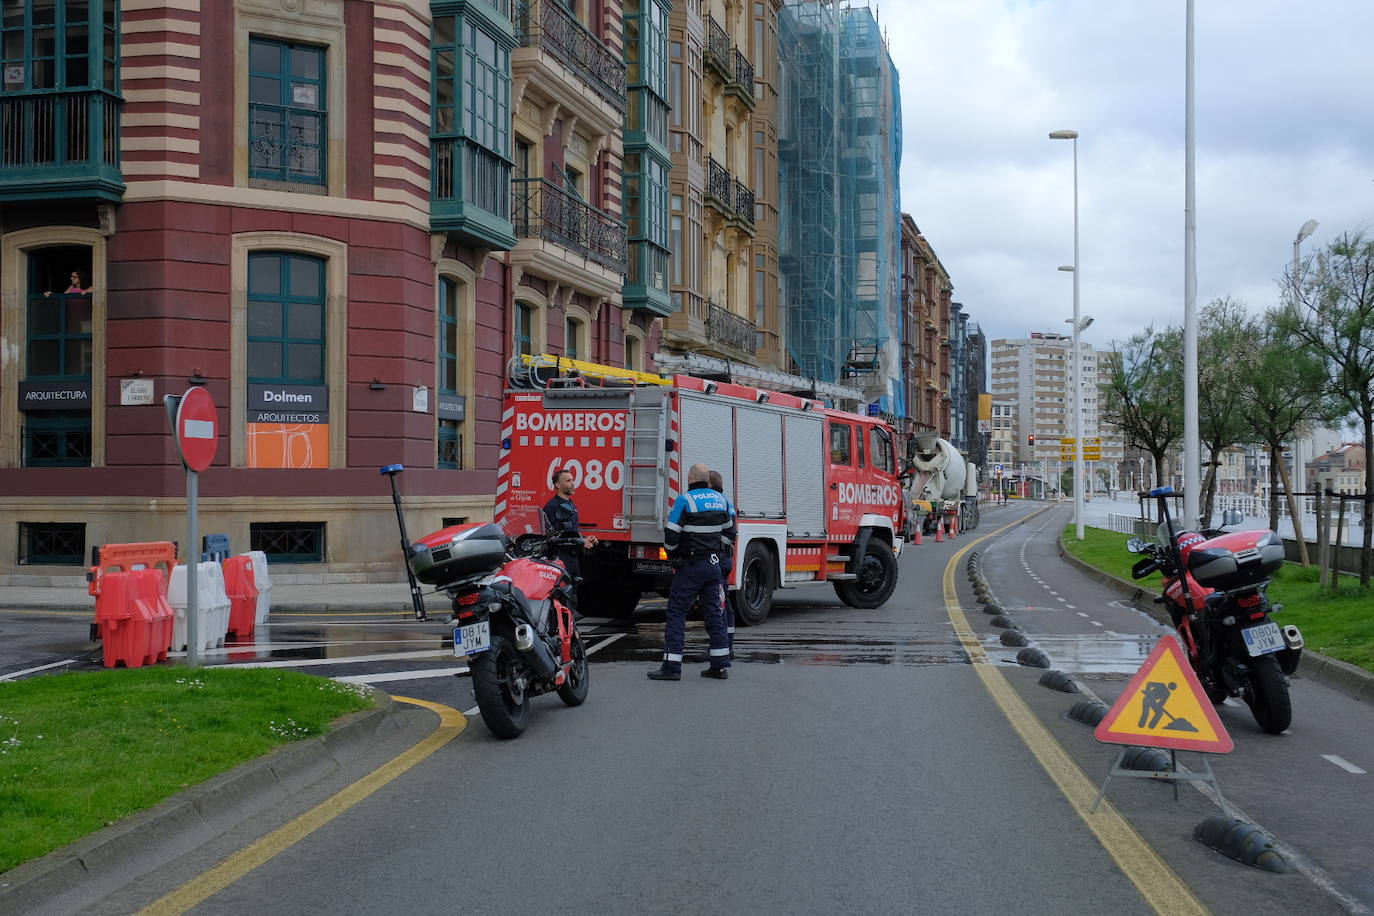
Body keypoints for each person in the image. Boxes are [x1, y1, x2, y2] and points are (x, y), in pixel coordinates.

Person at [648, 462, 732, 681]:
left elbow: (671, 535)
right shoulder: (721, 500)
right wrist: (714, 548)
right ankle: (720, 665)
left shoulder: (685, 500)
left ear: (690, 479)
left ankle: (672, 667)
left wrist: (675, 555)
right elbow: (730, 533)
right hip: (713, 565)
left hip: (690, 567)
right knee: (714, 614)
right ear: (707, 480)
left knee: (676, 613)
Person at [542, 468, 597, 614]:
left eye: (573, 480)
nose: (573, 483)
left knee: (572, 597)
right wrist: (578, 541)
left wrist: (584, 538)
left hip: (573, 559)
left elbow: (571, 531)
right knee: (561, 597)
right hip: (559, 559)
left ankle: (569, 632)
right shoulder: (552, 507)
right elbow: (549, 536)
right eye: (568, 481)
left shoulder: (571, 505)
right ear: (557, 485)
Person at [709, 469, 737, 660]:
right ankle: (727, 645)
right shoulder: (726, 501)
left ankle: (722, 649)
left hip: (717, 559)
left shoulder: (715, 503)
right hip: (724, 558)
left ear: (710, 485)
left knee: (718, 604)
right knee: (723, 602)